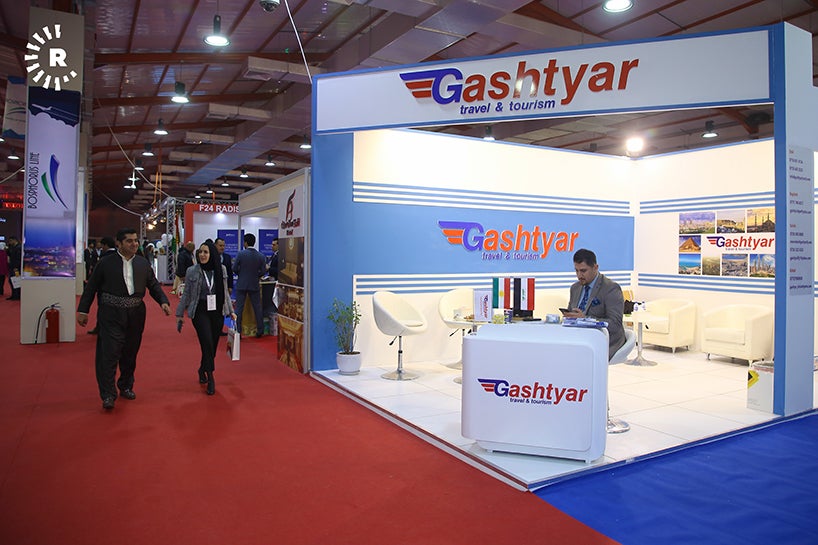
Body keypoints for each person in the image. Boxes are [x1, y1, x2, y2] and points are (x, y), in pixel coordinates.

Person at [76, 228, 171, 410]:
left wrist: (163, 302)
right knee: (109, 354)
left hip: (136, 314)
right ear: (119, 243)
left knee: (130, 353)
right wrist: (83, 310)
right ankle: (108, 394)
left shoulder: (143, 263)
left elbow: (153, 285)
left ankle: (126, 385)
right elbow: (91, 287)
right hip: (110, 314)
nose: (134, 244)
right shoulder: (105, 263)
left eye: (135, 240)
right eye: (129, 241)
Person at [176, 240, 236, 395]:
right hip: (200, 310)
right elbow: (187, 294)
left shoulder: (221, 269)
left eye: (206, 252)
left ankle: (202, 368)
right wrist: (179, 314)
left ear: (212, 254)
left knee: (212, 345)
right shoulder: (192, 271)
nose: (202, 255)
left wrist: (231, 311)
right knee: (207, 341)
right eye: (200, 252)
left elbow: (225, 292)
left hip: (217, 311)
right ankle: (210, 376)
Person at [565, 248, 625, 359]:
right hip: (578, 339)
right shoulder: (575, 288)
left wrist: (585, 320)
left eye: (583, 271)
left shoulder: (611, 288)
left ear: (595, 267)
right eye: (576, 271)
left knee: (575, 357)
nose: (579, 275)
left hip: (603, 341)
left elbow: (615, 324)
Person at [233, 233, 267, 338]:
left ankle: (238, 331)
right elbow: (263, 271)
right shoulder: (261, 256)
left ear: (245, 243)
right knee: (257, 308)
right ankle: (260, 330)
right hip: (254, 284)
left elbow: (234, 268)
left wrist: (241, 274)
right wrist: (256, 276)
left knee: (239, 309)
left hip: (241, 284)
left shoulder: (240, 254)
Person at [87, 236, 118, 335]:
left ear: (105, 245)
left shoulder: (104, 257)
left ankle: (100, 327)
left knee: (102, 309)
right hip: (117, 287)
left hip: (104, 287)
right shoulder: (119, 255)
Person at [6, 236, 22, 300]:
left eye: (10, 241)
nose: (10, 242)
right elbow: (10, 255)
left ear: (14, 240)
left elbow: (18, 259)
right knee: (12, 281)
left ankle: (17, 295)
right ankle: (14, 295)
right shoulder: (13, 247)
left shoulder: (18, 248)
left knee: (16, 281)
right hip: (12, 267)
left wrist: (16, 267)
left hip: (16, 268)